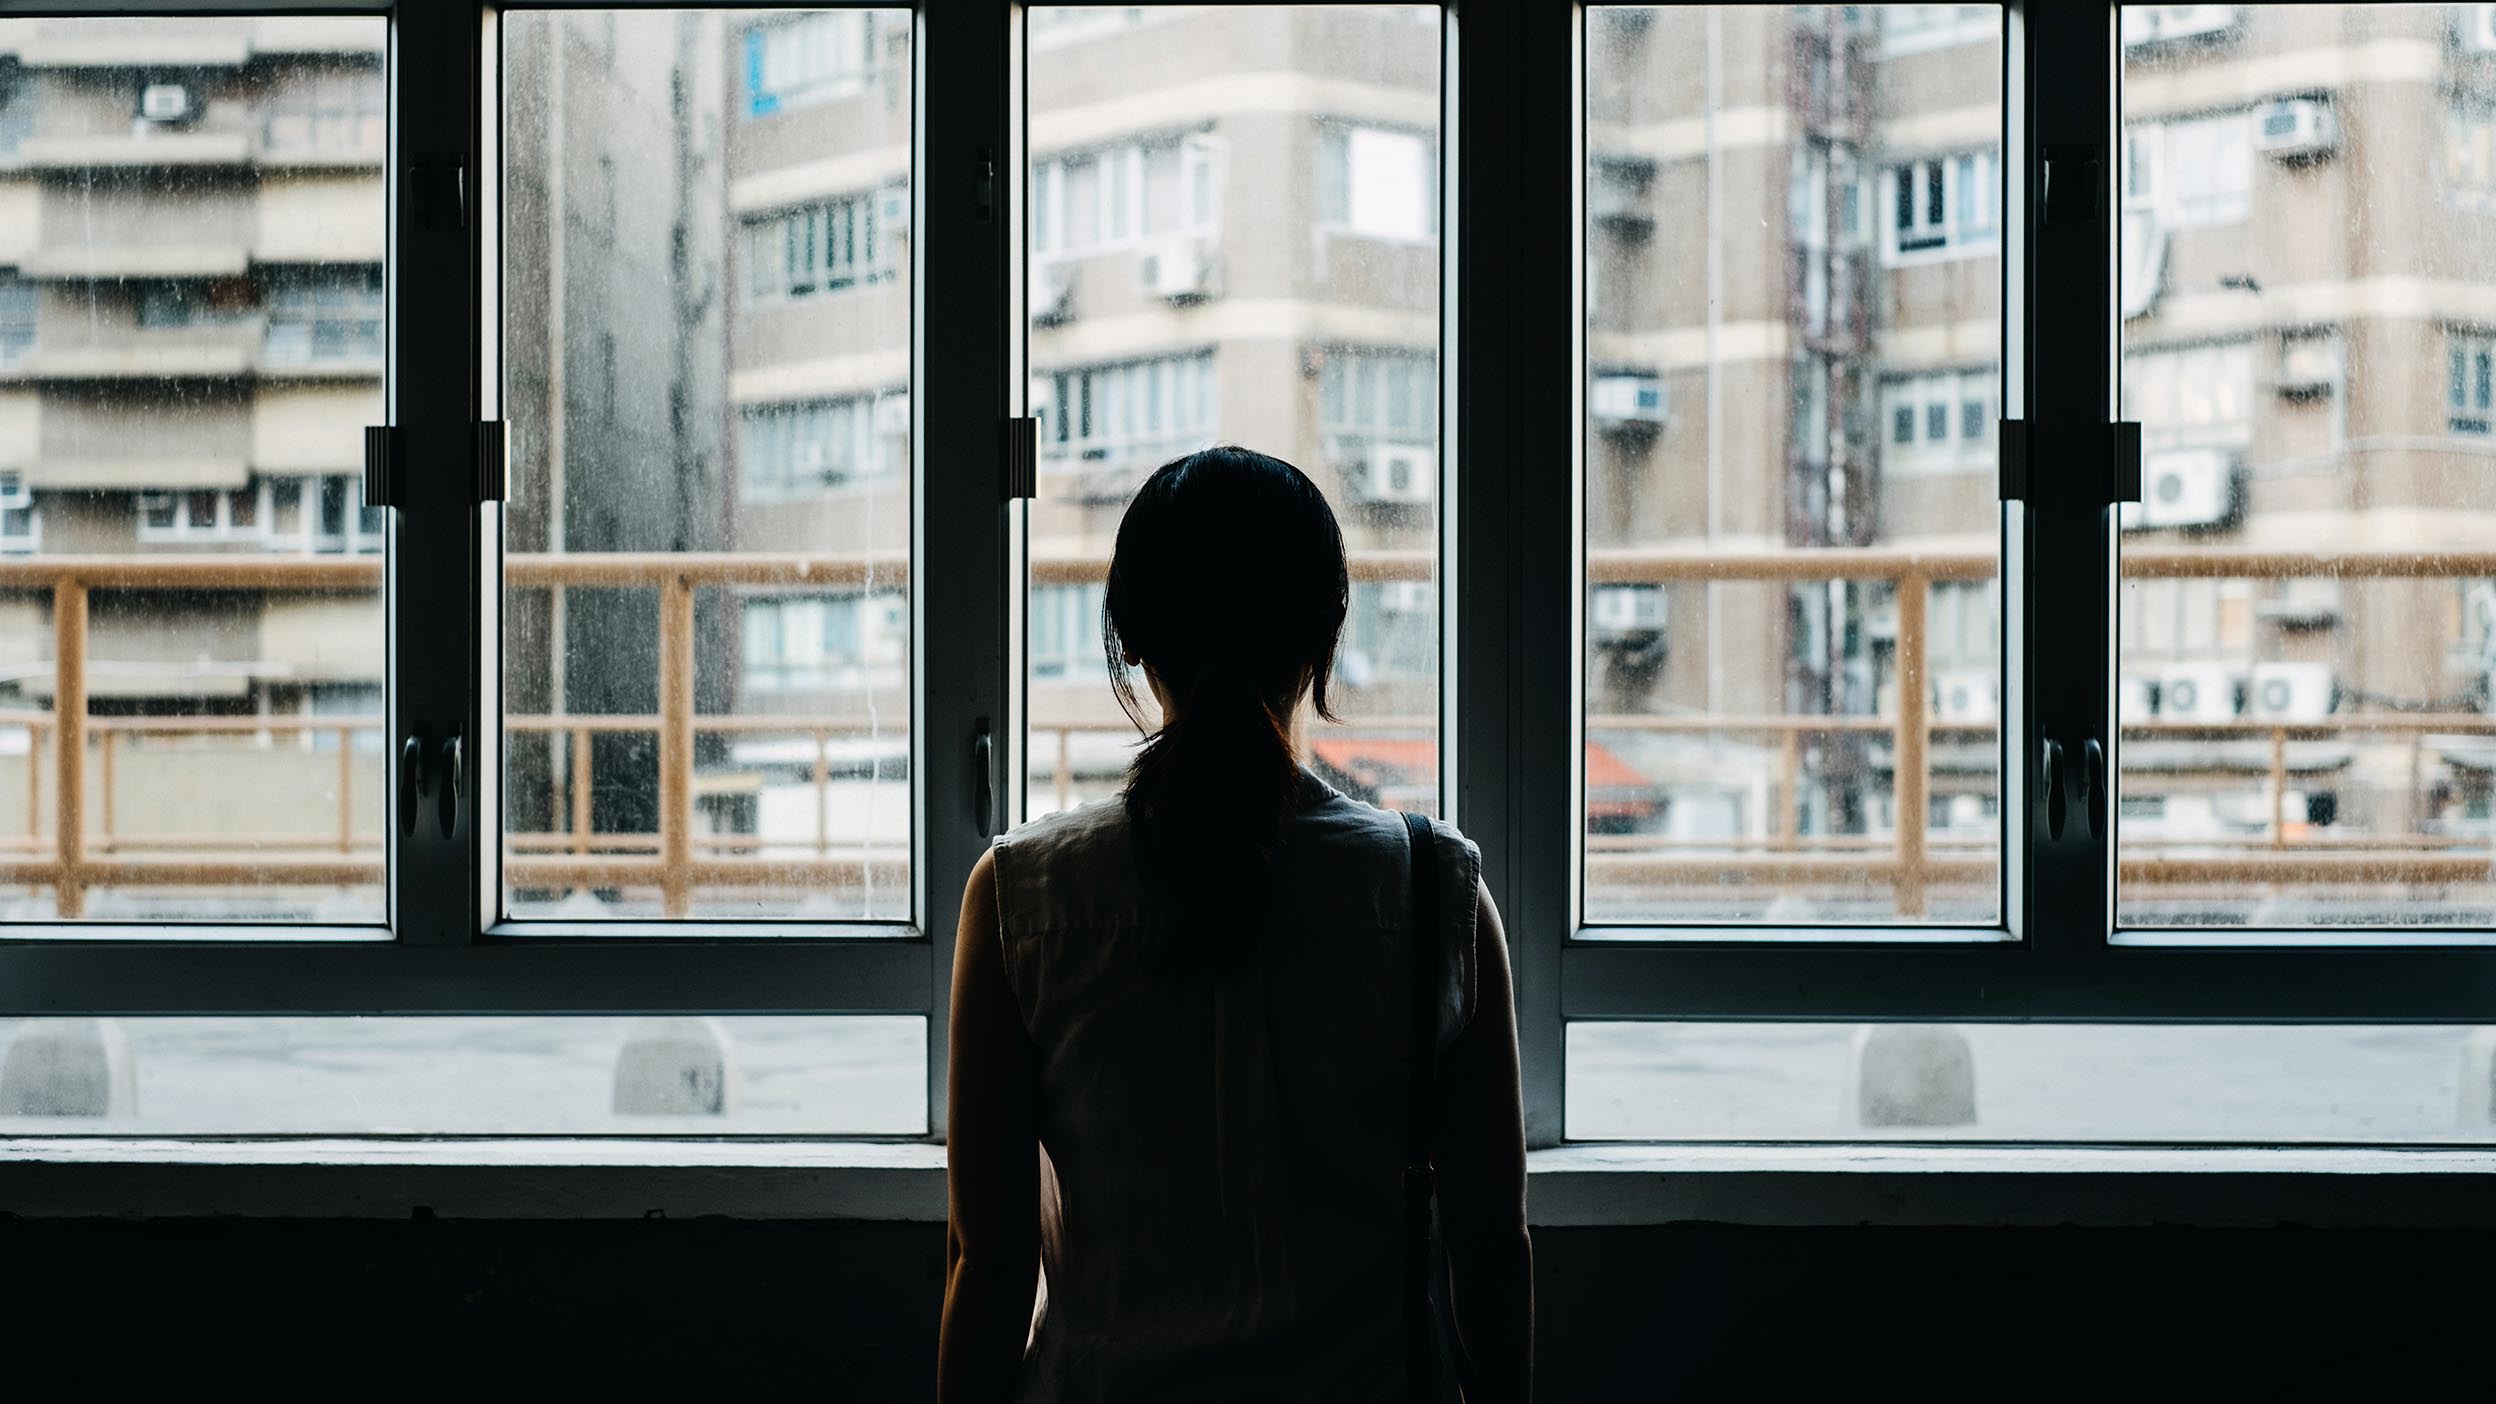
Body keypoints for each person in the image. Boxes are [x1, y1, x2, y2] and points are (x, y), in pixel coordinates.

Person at [940, 446, 1531, 1402]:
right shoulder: (1434, 894)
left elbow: (992, 1265)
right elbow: (1491, 1254)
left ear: (1130, 639)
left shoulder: (1022, 899)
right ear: (1321, 638)